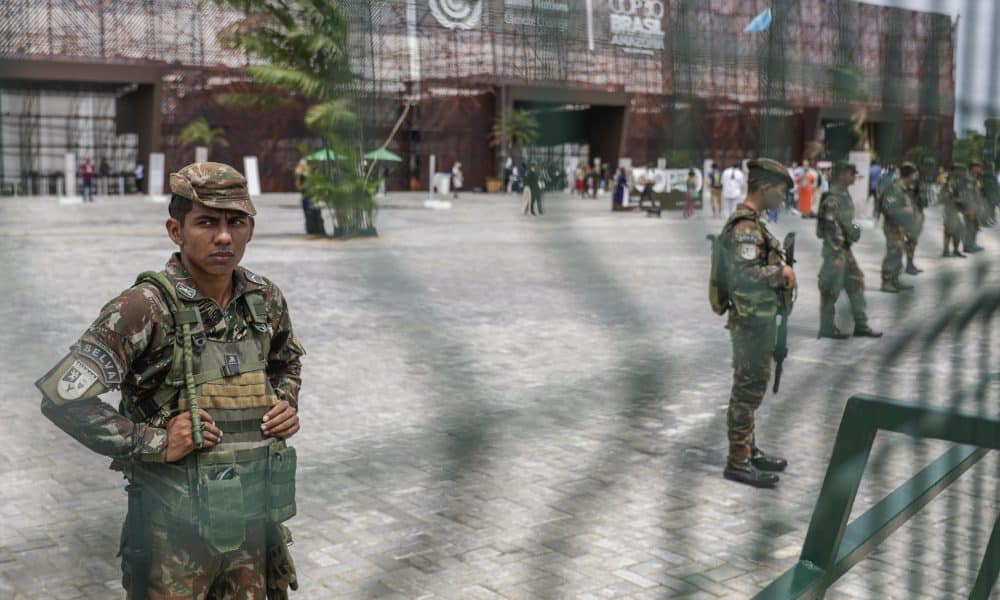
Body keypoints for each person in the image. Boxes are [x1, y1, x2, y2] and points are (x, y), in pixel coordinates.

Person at [37, 162, 304, 599]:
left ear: (251, 229)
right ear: (175, 230)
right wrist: (156, 442)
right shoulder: (143, 308)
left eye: (235, 222)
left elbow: (286, 361)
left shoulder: (264, 299)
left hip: (254, 527)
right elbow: (63, 400)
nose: (223, 237)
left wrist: (284, 402)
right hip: (173, 537)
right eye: (206, 222)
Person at [715, 158, 795, 488]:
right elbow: (743, 276)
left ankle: (748, 447)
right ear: (763, 187)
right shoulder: (746, 228)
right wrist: (782, 273)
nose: (783, 198)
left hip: (758, 318)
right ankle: (738, 460)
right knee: (747, 390)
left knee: (753, 386)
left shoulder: (755, 224)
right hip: (749, 322)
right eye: (780, 191)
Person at [816, 161, 882, 339]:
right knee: (831, 289)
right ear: (842, 174)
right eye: (852, 173)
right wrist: (837, 252)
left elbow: (844, 222)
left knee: (856, 281)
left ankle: (861, 325)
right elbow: (830, 227)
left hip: (844, 249)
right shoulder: (832, 197)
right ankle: (827, 327)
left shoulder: (844, 195)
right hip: (835, 250)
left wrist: (853, 231)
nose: (854, 177)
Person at [879, 163, 918, 293]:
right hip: (892, 226)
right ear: (909, 175)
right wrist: (905, 210)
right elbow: (888, 208)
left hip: (900, 227)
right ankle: (886, 282)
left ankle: (895, 280)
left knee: (899, 252)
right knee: (893, 253)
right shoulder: (894, 188)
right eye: (914, 174)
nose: (915, 177)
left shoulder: (904, 188)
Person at [941, 164, 970, 258]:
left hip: (955, 209)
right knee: (950, 230)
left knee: (955, 229)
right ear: (956, 171)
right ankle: (948, 251)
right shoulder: (951, 181)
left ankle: (953, 250)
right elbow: (948, 196)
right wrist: (959, 201)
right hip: (950, 209)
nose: (963, 173)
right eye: (961, 171)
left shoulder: (956, 181)